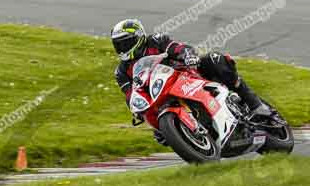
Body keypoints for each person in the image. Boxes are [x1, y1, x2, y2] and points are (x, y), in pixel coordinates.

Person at [111, 19, 272, 123]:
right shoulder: (121, 71)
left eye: (125, 43)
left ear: (138, 37)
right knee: (148, 113)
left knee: (214, 60)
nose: (121, 48)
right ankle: (170, 130)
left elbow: (176, 47)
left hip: (184, 74)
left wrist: (187, 55)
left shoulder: (155, 41)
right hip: (160, 93)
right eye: (118, 45)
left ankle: (255, 104)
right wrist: (136, 109)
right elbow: (130, 94)